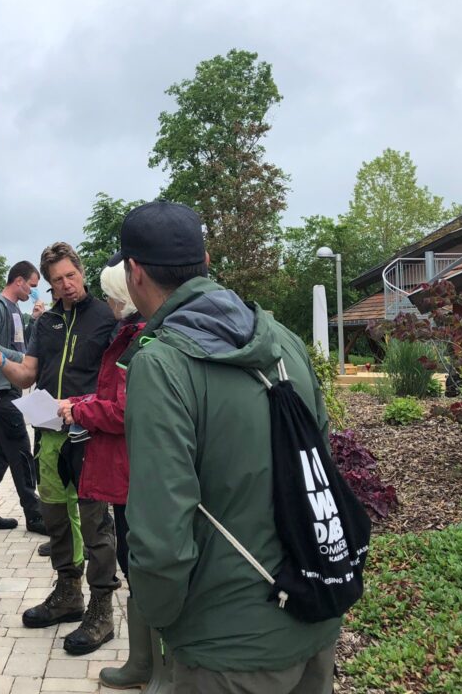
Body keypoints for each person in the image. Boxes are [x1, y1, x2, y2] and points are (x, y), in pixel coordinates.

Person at [119, 202, 342, 694]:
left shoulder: (161, 366)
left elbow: (161, 534)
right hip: (316, 614)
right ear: (206, 258)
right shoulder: (285, 341)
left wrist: (161, 619)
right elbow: (319, 465)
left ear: (135, 272)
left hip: (226, 648)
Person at [0, 242, 118, 655]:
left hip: (91, 433)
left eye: (70, 276)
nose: (65, 285)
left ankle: (102, 609)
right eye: (57, 280)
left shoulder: (106, 316)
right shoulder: (47, 322)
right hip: (49, 433)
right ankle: (68, 593)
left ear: (82, 273)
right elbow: (27, 376)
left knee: (95, 523)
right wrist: (0, 362)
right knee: (55, 514)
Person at [54, 258, 147, 689]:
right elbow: (114, 393)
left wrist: (80, 409)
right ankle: (144, 660)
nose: (110, 300)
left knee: (140, 562)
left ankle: (156, 663)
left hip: (138, 471)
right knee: (135, 562)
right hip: (126, 470)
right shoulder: (128, 333)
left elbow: (128, 409)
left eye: (114, 293)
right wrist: (86, 400)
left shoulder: (140, 337)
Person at [0, 261, 46, 534]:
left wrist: (35, 322)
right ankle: (35, 515)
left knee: (0, 452)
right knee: (21, 450)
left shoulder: (15, 309)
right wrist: (22, 359)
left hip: (8, 388)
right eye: (33, 286)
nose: (34, 293)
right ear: (18, 281)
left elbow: (20, 345)